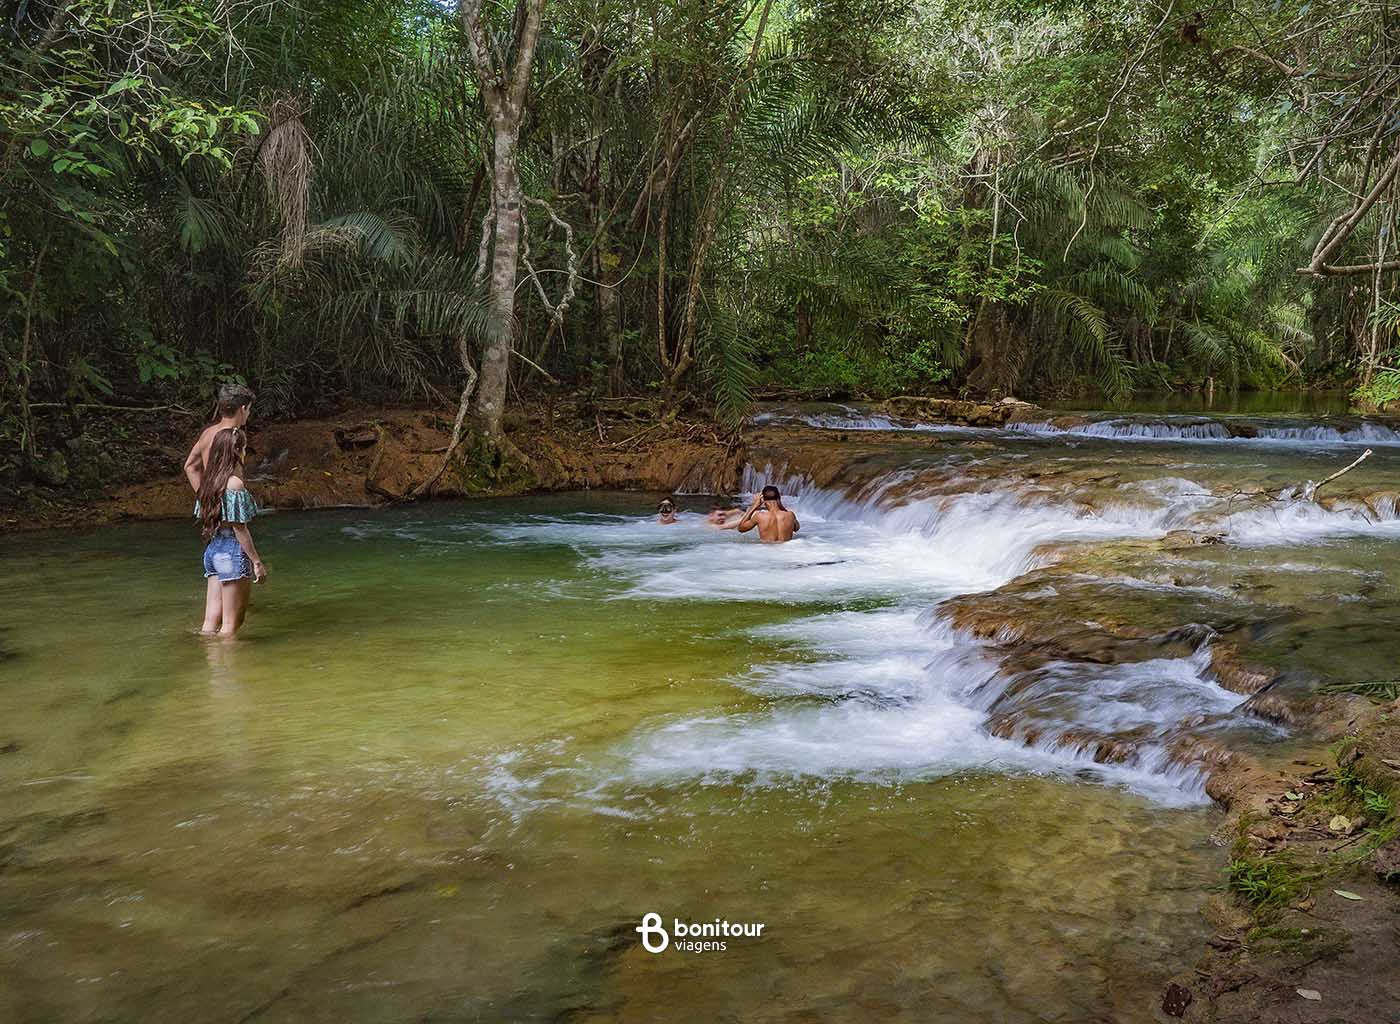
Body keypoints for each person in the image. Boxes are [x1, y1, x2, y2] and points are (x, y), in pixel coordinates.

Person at [196, 428, 267, 638]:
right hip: (231, 551)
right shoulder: (234, 485)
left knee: (210, 622)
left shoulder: (208, 483)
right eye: (244, 448)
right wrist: (256, 562)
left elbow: (203, 516)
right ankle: (228, 668)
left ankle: (210, 663)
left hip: (213, 550)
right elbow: (239, 528)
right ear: (237, 451)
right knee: (231, 625)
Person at [185, 382, 255, 491]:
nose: (249, 413)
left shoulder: (207, 433)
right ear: (242, 409)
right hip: (232, 500)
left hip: (209, 504)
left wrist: (203, 498)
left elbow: (190, 466)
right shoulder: (234, 436)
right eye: (249, 409)